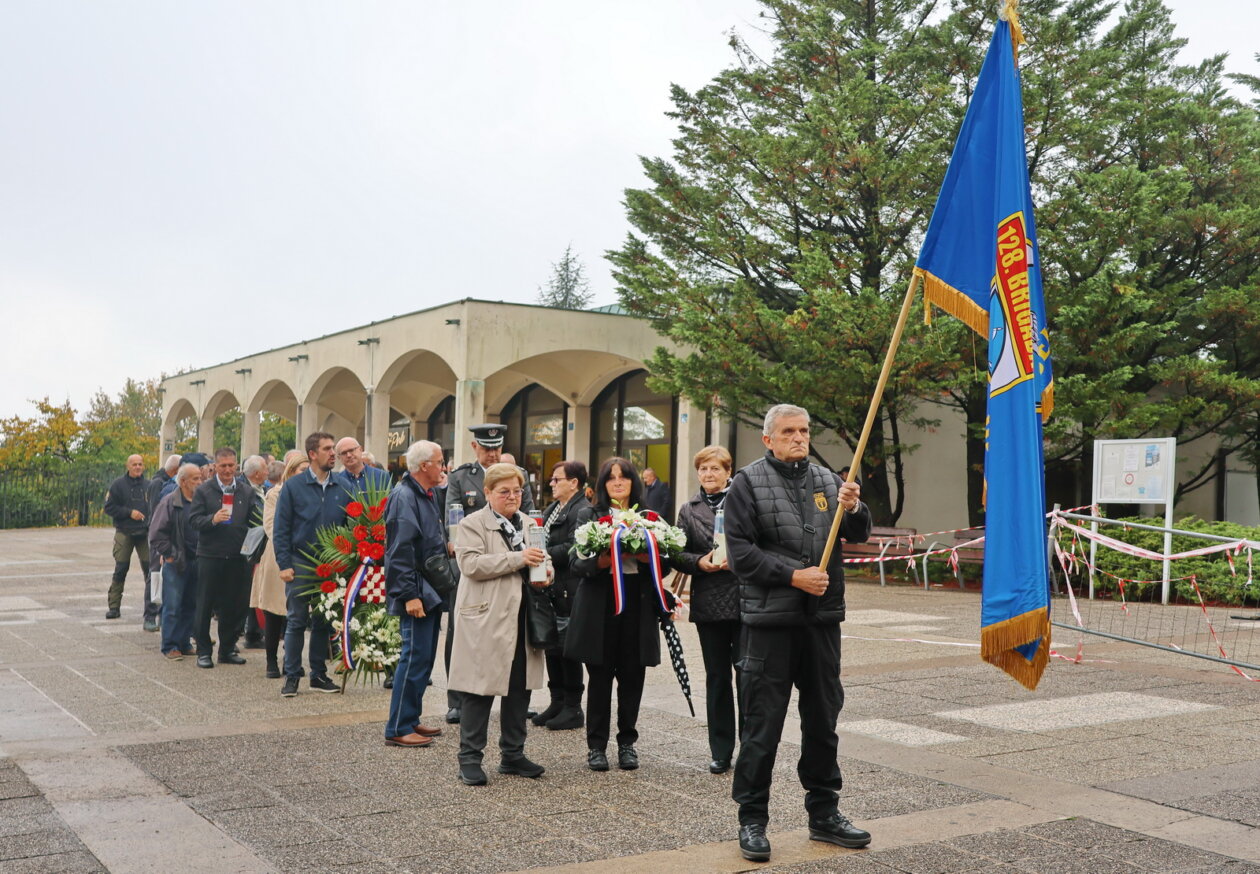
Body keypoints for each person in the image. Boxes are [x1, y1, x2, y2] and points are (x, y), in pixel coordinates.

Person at [724, 404, 872, 862]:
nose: (799, 438)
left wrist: (855, 507)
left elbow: (858, 533)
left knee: (823, 720)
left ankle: (824, 813)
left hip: (821, 621)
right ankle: (752, 819)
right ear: (768, 439)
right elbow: (741, 554)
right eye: (789, 431)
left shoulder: (829, 481)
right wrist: (794, 576)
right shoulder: (745, 484)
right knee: (761, 724)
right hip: (770, 624)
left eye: (804, 430)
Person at [566, 457, 673, 773]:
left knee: (632, 677)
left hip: (637, 603)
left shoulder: (649, 517)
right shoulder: (589, 514)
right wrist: (604, 559)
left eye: (623, 478)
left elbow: (665, 563)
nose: (617, 483)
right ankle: (596, 747)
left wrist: (644, 556)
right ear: (602, 484)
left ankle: (627, 744)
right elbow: (576, 564)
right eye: (610, 478)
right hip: (600, 603)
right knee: (599, 678)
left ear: (632, 483)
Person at [450, 463, 551, 785]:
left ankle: (513, 754)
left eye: (517, 491)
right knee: (479, 691)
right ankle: (470, 757)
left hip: (523, 618)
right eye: (504, 491)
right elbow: (470, 564)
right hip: (486, 617)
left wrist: (546, 574)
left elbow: (542, 558)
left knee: (519, 689)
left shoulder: (528, 523)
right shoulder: (471, 523)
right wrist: (519, 559)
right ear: (488, 493)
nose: (512, 497)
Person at [442, 423, 535, 724]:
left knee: (515, 639)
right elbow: (455, 523)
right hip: (475, 564)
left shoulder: (517, 475)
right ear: (475, 448)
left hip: (516, 576)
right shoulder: (460, 477)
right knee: (465, 634)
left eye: (497, 447)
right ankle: (457, 698)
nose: (493, 452)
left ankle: (513, 705)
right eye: (487, 448)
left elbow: (530, 517)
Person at [673, 445, 741, 774]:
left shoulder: (744, 501)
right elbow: (677, 554)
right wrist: (699, 562)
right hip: (709, 601)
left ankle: (754, 745)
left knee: (749, 677)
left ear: (729, 471)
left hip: (745, 600)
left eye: (715, 469)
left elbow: (761, 543)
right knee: (717, 679)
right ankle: (721, 749)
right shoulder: (689, 509)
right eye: (703, 469)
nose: (709, 475)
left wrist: (739, 560)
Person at [273, 432, 351, 696]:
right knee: (296, 620)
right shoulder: (294, 487)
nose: (334, 453)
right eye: (328, 449)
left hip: (331, 564)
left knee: (322, 621)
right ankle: (292, 676)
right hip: (300, 562)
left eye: (334, 449)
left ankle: (318, 674)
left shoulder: (342, 485)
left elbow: (349, 527)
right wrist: (284, 563)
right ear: (313, 454)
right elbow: (281, 528)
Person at [383, 440, 449, 748]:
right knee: (413, 657)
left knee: (423, 659)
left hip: (429, 587)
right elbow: (400, 551)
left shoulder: (425, 493)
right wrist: (409, 595)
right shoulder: (404, 496)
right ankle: (398, 726)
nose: (443, 467)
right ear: (424, 466)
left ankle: (410, 717)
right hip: (417, 590)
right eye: (439, 461)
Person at [531, 460, 593, 731]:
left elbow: (574, 547)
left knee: (569, 650)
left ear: (574, 483)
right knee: (553, 647)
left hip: (570, 587)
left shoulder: (582, 510)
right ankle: (557, 701)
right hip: (552, 586)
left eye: (557, 480)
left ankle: (572, 707)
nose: (552, 484)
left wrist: (542, 555)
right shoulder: (555, 508)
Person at [187, 448, 260, 670]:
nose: (228, 470)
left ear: (236, 466)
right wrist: (213, 519)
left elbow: (254, 520)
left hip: (238, 557)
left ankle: (227, 649)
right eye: (223, 466)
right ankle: (204, 651)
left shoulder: (246, 491)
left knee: (235, 605)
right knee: (205, 604)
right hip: (210, 555)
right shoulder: (204, 491)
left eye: (231, 466)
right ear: (215, 467)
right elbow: (194, 520)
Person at [251, 454, 307, 679]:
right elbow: (271, 527)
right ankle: (271, 660)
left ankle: (291, 660)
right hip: (279, 558)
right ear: (291, 472)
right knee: (274, 612)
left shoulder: (310, 494)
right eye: (302, 470)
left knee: (296, 614)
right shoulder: (275, 494)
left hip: (304, 557)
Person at [148, 462, 203, 660]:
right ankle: (169, 645)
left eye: (200, 478)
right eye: (195, 478)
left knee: (190, 605)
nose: (200, 482)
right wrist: (169, 553)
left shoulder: (200, 501)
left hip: (197, 560)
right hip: (177, 561)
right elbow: (156, 534)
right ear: (183, 481)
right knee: (172, 605)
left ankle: (184, 642)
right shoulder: (170, 502)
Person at [104, 454, 157, 628]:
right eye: (134, 464)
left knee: (150, 571)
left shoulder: (149, 485)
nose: (137, 467)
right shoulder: (118, 485)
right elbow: (109, 507)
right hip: (124, 531)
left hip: (144, 533)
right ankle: (114, 606)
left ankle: (152, 609)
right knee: (120, 569)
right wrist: (129, 513)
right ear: (128, 466)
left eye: (140, 464)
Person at [240, 455, 270, 650]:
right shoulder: (243, 490)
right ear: (257, 474)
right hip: (248, 548)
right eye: (266, 468)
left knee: (256, 590)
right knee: (247, 592)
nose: (268, 471)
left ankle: (254, 633)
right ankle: (248, 633)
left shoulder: (263, 488)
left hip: (260, 547)